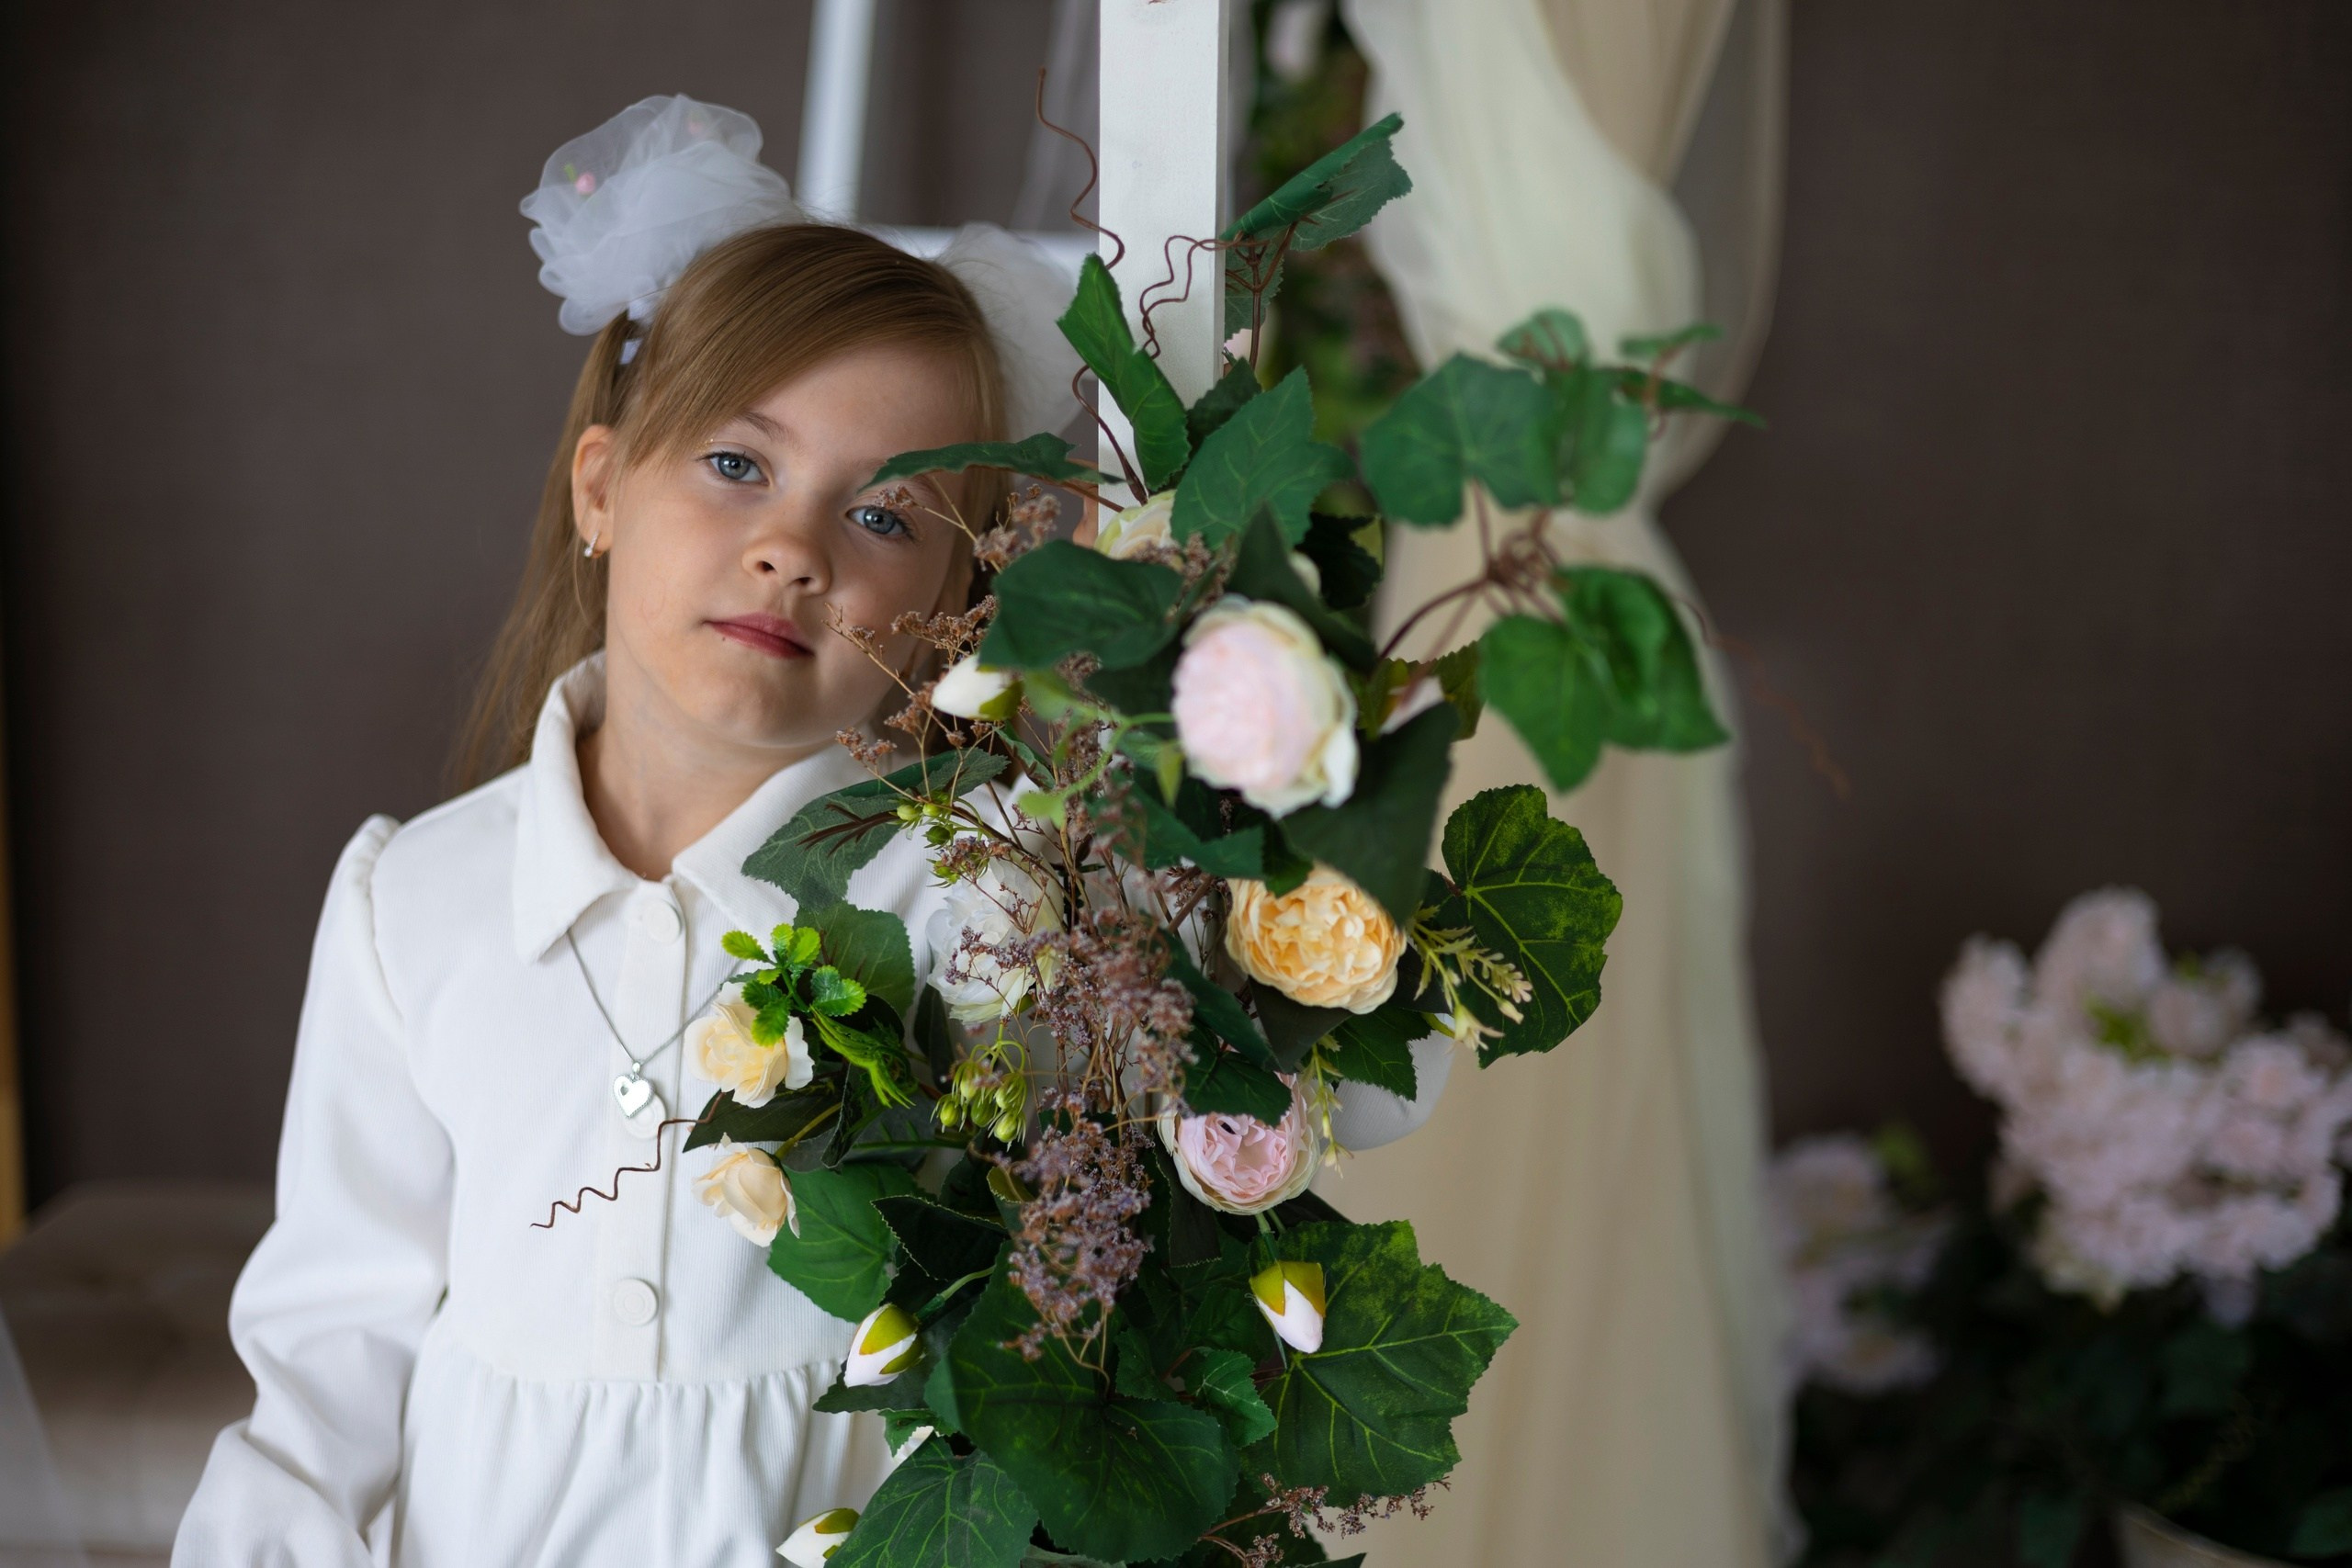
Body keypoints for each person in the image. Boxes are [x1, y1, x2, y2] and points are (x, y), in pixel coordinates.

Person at [172, 96, 1077, 1567]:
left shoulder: (980, 888)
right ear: (602, 489)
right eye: (739, 466)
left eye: (890, 514)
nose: (794, 548)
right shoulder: (418, 903)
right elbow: (330, 1357)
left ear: (952, 619)